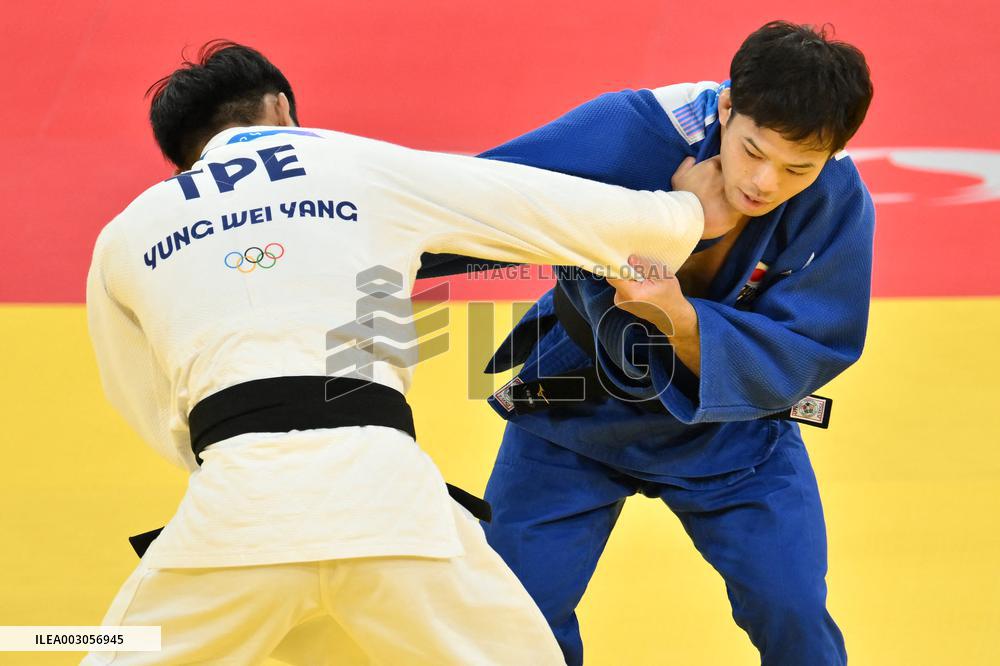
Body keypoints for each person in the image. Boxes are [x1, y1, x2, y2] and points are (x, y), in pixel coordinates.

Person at [83, 42, 739, 665]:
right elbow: (525, 202)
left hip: (232, 514)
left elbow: (140, 394)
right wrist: (683, 217)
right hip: (390, 501)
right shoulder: (346, 161)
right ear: (280, 106)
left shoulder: (128, 232)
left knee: (101, 648)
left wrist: (244, 469)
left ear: (180, 157)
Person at [422, 21, 874, 666]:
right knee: (512, 619)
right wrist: (674, 218)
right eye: (752, 151)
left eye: (797, 168)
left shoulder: (836, 198)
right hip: (576, 403)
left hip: (735, 431)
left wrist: (681, 319)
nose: (767, 184)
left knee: (794, 614)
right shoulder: (629, 133)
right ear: (726, 106)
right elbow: (469, 206)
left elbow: (810, 346)